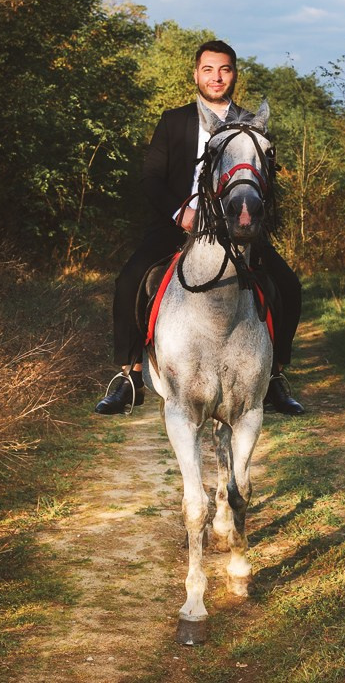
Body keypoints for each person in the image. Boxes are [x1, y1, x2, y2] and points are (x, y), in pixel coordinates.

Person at [95, 39, 304, 416]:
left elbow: (267, 180)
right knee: (128, 282)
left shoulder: (250, 123)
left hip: (235, 228)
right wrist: (180, 214)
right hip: (179, 223)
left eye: (224, 69)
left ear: (234, 74)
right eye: (208, 69)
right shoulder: (173, 121)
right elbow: (151, 178)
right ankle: (129, 377)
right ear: (196, 74)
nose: (216, 77)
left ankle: (274, 377)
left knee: (287, 286)